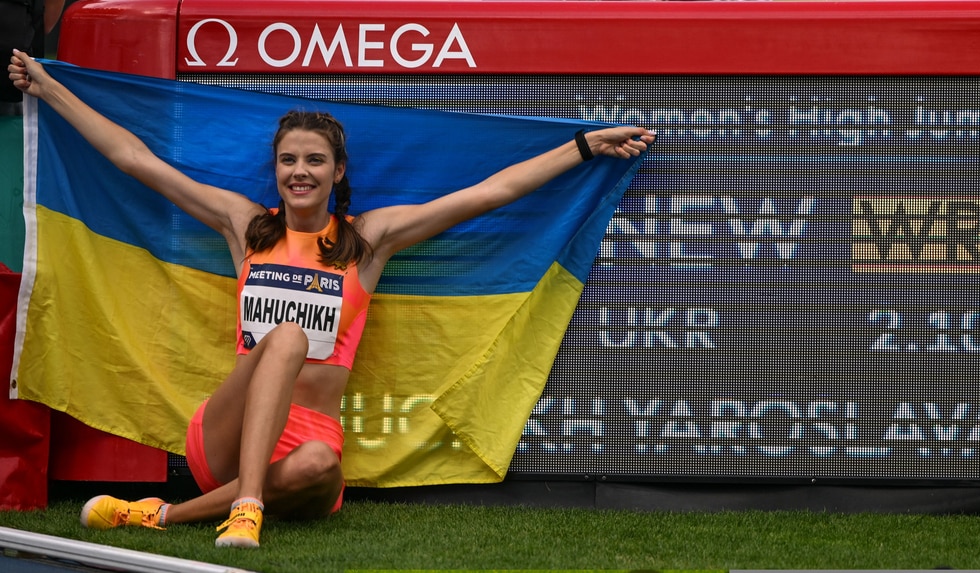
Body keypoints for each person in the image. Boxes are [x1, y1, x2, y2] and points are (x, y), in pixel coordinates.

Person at [8, 48, 654, 548]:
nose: (300, 172)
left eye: (315, 160)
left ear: (337, 172)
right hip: (228, 430)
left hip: (308, 435)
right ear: (277, 169)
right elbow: (136, 160)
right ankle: (247, 504)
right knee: (285, 335)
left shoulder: (367, 241)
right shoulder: (245, 226)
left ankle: (165, 514)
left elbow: (490, 193)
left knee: (321, 466)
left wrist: (582, 147)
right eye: (289, 159)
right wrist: (51, 87)